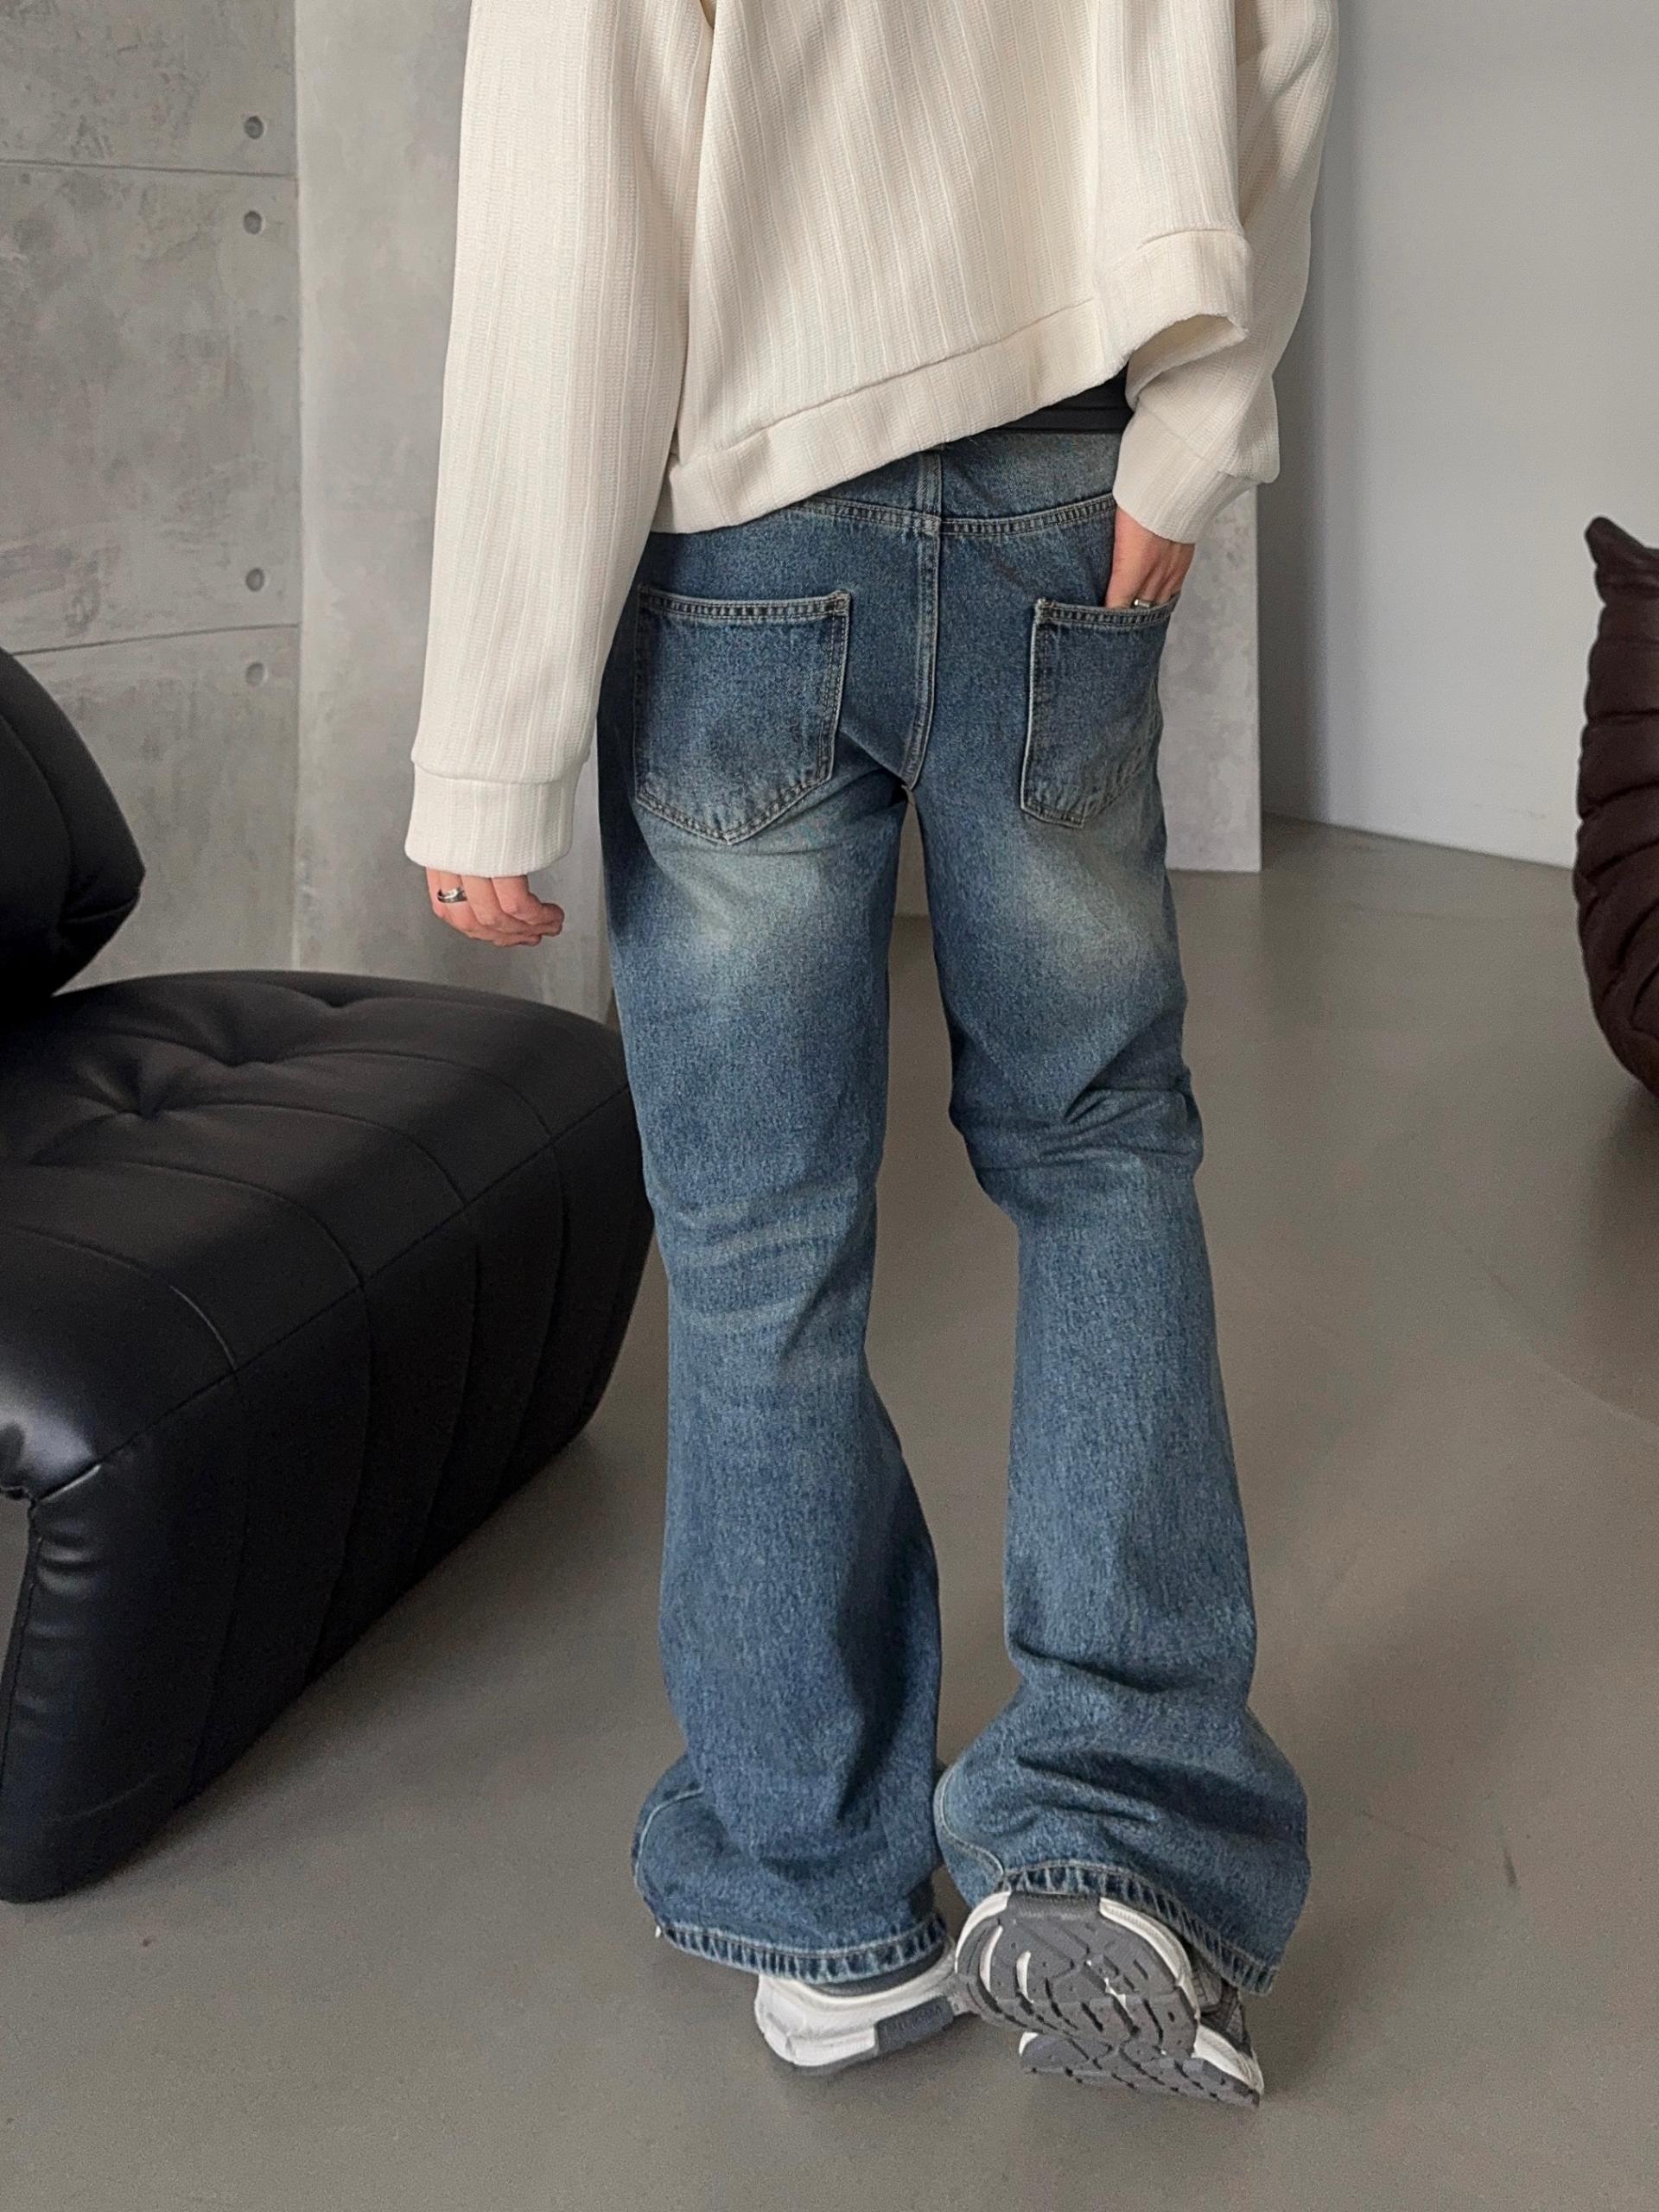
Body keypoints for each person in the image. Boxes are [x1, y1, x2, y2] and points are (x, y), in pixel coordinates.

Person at [406, 0, 1338, 2107]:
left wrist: (488, 738)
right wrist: (1193, 430)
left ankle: (815, 1883)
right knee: (1101, 1152)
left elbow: (570, 224)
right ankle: (1125, 1840)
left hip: (742, 527)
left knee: (759, 1240)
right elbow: (1279, 40)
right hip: (1062, 497)